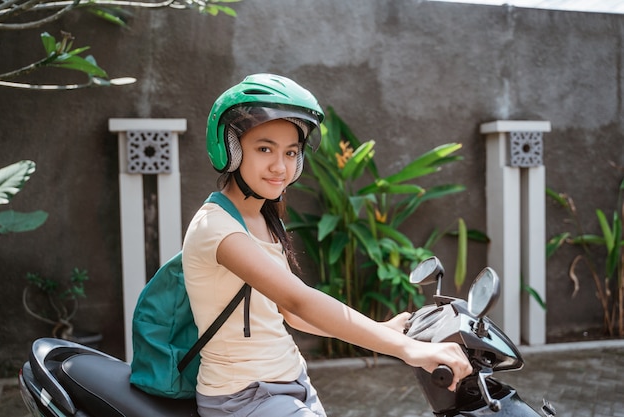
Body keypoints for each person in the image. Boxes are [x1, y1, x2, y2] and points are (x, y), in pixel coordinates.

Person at [182, 73, 472, 417]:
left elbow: (289, 314)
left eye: (291, 152)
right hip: (245, 397)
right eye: (264, 149)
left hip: (292, 383)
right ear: (229, 149)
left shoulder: (262, 218)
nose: (281, 166)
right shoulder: (218, 228)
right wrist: (406, 348)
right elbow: (299, 301)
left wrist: (380, 330)